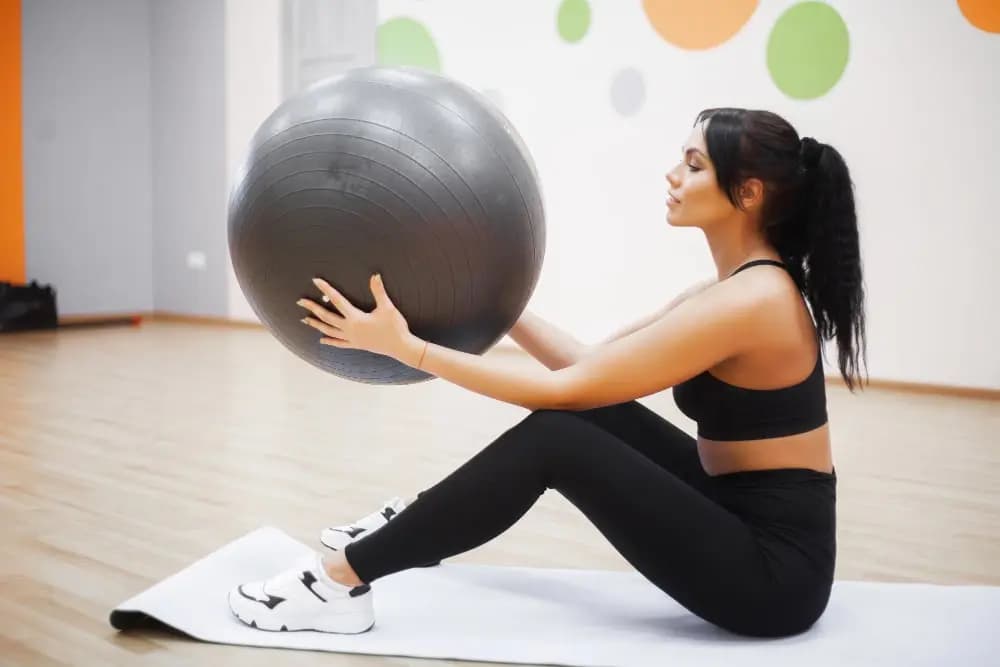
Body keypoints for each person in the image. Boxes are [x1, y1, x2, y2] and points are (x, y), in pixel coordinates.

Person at [228, 107, 866, 638]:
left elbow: (561, 389)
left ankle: (339, 581)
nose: (673, 174)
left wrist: (408, 348)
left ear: (747, 194)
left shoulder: (752, 302)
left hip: (774, 576)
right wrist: (494, 306)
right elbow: (590, 368)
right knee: (593, 413)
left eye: (694, 164)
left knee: (557, 437)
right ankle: (417, 524)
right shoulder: (734, 288)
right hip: (734, 507)